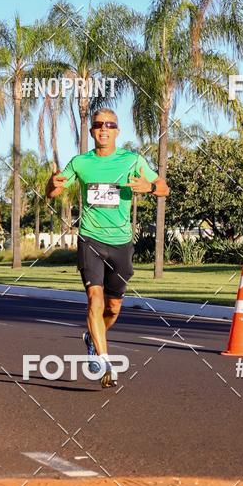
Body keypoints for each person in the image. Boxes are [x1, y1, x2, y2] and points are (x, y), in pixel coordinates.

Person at [46, 109, 169, 388]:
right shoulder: (80, 162)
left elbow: (164, 187)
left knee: (112, 309)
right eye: (98, 124)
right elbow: (53, 192)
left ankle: (92, 336)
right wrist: (50, 185)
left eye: (109, 125)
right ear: (92, 131)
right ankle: (104, 362)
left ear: (117, 131)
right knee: (95, 300)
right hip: (90, 239)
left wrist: (149, 186)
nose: (104, 128)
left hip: (121, 243)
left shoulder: (132, 160)